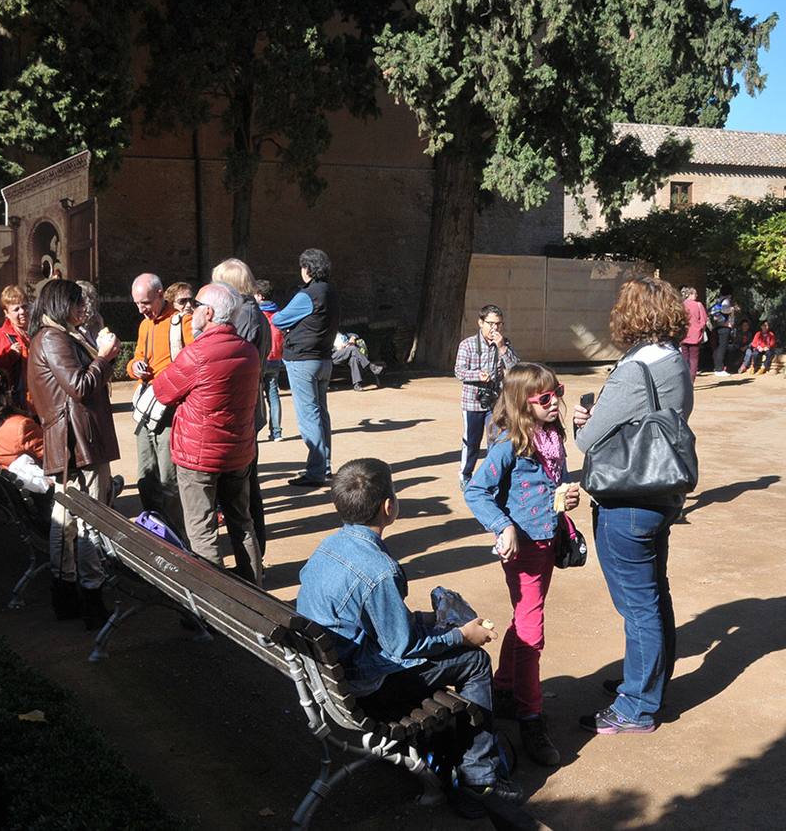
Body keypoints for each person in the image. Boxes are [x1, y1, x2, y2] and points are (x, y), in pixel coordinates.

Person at [296, 458, 524, 814]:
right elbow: (402, 646)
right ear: (389, 507)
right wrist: (460, 636)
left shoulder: (327, 547)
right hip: (365, 689)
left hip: (328, 680)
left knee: (443, 634)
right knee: (475, 661)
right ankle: (481, 780)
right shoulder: (379, 569)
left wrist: (428, 622)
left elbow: (365, 620)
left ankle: (469, 758)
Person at [573, 278, 694, 734]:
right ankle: (648, 681)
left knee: (638, 604)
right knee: (654, 594)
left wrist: (585, 417)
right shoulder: (676, 362)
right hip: (660, 490)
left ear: (631, 316)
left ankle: (637, 705)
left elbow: (587, 438)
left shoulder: (633, 369)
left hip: (626, 497)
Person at [464, 363, 580, 766]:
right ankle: (531, 717)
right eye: (544, 398)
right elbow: (476, 490)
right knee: (533, 629)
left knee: (525, 615)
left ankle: (504, 688)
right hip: (523, 547)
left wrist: (564, 498)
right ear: (521, 404)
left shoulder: (552, 437)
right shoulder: (508, 445)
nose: (555, 402)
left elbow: (557, 479)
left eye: (557, 392)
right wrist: (502, 526)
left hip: (548, 541)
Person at [152, 283, 264, 583]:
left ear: (209, 312)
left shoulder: (197, 354)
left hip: (198, 455)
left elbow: (162, 390)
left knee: (202, 531)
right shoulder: (248, 351)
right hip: (238, 451)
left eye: (196, 304)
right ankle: (254, 590)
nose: (191, 310)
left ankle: (216, 605)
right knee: (242, 524)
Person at [28, 279, 120, 628]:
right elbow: (80, 386)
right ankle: (91, 597)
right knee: (89, 521)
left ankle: (66, 592)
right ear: (59, 304)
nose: (85, 307)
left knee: (66, 520)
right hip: (80, 442)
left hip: (73, 440)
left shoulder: (56, 336)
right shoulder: (53, 338)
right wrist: (102, 356)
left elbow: (88, 382)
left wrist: (103, 358)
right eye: (77, 302)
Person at [211, 258, 272, 559]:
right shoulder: (250, 311)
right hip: (247, 408)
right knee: (244, 487)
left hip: (243, 411)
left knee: (245, 491)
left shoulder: (246, 313)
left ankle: (254, 559)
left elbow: (235, 360)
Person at [128, 273, 193, 529]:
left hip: (171, 410)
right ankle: (153, 528)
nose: (142, 309)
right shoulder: (145, 325)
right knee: (146, 474)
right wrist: (136, 367)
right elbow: (136, 358)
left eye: (145, 303)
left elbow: (195, 362)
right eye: (137, 304)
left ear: (160, 295)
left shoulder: (182, 323)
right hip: (146, 409)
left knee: (169, 478)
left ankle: (176, 534)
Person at [273, 248, 339, 488]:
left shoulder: (307, 295)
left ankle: (316, 470)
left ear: (308, 269)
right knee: (321, 413)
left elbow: (279, 319)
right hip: (324, 359)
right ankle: (325, 465)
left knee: (308, 416)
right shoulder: (331, 291)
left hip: (302, 360)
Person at [455, 305, 520, 490]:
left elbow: (516, 370)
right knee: (472, 441)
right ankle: (465, 475)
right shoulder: (467, 345)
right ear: (480, 323)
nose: (495, 329)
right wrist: (477, 375)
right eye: (491, 324)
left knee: (496, 440)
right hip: (472, 401)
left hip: (496, 401)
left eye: (499, 324)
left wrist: (502, 348)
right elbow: (458, 371)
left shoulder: (504, 344)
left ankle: (492, 476)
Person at [256, 279, 285, 442]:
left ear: (259, 296)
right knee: (273, 396)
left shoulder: (256, 313)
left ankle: (255, 431)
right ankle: (277, 432)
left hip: (261, 359)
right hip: (275, 359)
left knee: (257, 397)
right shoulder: (279, 313)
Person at [678, 287, 708, 381]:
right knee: (694, 358)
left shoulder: (681, 305)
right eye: (695, 294)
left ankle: (685, 379)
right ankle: (691, 380)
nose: (696, 296)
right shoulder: (698, 305)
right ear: (691, 294)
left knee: (685, 357)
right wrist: (700, 329)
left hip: (684, 335)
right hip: (695, 335)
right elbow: (704, 320)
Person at [708, 288, 738, 376]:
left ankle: (717, 367)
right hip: (725, 326)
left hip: (717, 326)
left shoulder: (718, 301)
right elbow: (725, 309)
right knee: (722, 347)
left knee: (718, 347)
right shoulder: (726, 300)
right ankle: (719, 369)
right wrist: (732, 309)